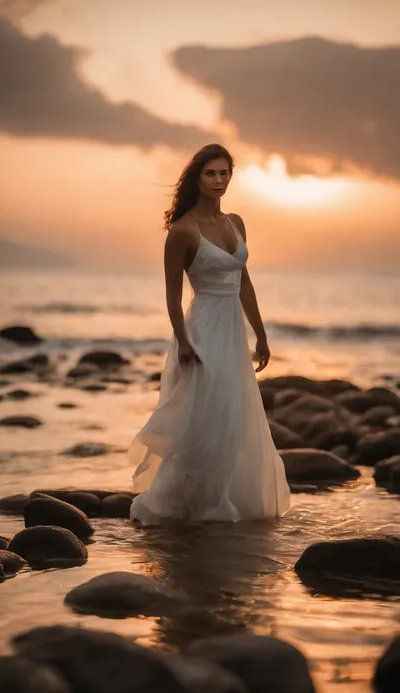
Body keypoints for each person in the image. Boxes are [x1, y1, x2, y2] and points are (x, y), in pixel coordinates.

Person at [128, 143, 290, 524]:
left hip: (233, 332)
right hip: (202, 332)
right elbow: (172, 296)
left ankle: (225, 499)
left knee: (234, 418)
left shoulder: (236, 222)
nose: (219, 181)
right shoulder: (183, 231)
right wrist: (184, 342)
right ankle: (187, 505)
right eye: (211, 173)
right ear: (196, 178)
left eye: (224, 173)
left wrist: (261, 335)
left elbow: (243, 281)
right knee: (205, 420)